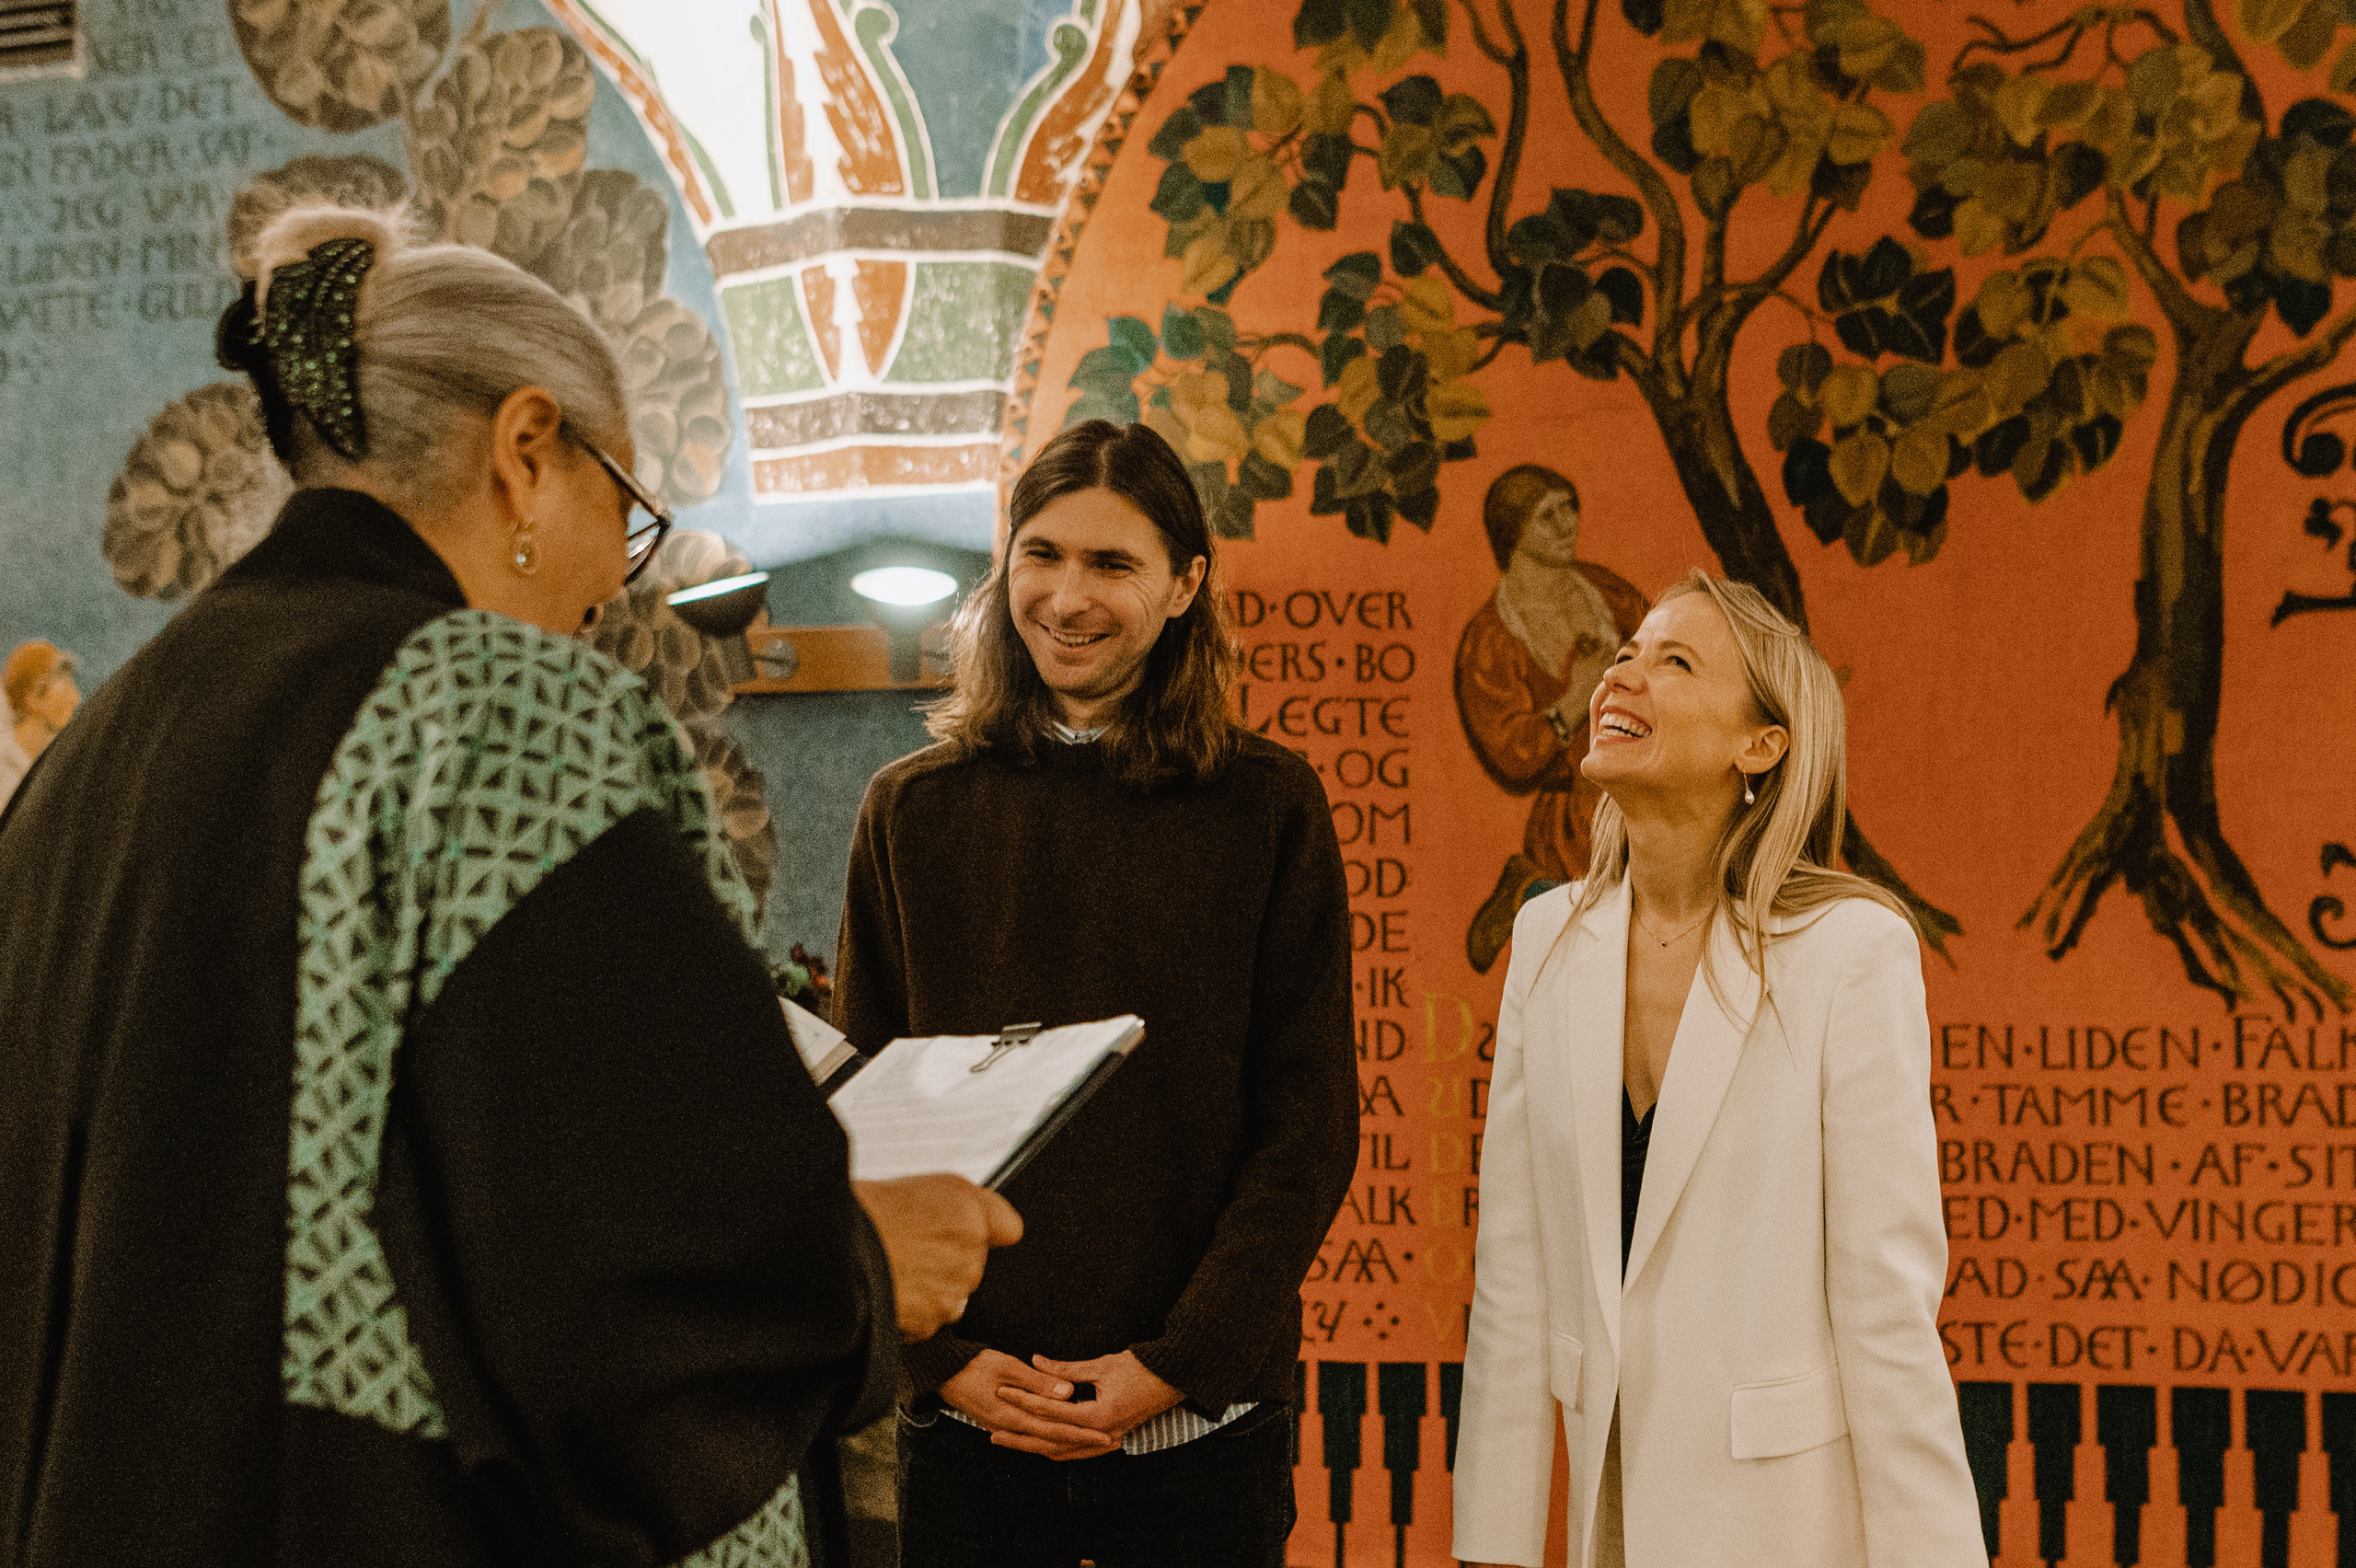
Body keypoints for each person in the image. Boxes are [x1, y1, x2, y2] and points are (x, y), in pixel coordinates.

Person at [0, 203, 1019, 1568]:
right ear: (527, 451)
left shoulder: (97, 750)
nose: (617, 580)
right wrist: (857, 1271)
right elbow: (623, 1259)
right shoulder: (498, 710)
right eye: (630, 508)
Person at [833, 419, 1358, 1567]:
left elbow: (1308, 1126)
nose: (1068, 597)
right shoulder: (909, 811)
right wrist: (948, 1366)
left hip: (1199, 1430)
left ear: (1185, 588)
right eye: (1042, 554)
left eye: (1113, 565)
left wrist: (1169, 1370)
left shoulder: (1267, 807)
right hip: (971, 1424)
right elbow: (862, 1119)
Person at [1453, 571, 1983, 1568]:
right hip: (1601, 1520)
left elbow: (1886, 1303)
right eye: (1625, 652)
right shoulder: (1545, 940)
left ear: (1762, 744)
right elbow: (1513, 1277)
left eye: (1674, 661)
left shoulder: (1849, 951)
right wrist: (1494, 1543)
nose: (1622, 673)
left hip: (1786, 1527)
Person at [1454, 466, 1647, 974]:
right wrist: (1576, 694)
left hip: (1641, 798)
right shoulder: (1491, 640)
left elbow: (1664, 652)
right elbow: (1511, 755)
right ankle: (1526, 893)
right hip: (1573, 819)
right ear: (1512, 531)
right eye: (1548, 516)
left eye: (1570, 508)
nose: (1568, 525)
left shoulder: (1604, 592)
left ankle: (1527, 894)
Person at [0, 640, 78, 810]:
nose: (75, 698)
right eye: (64, 690)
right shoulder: (3, 763)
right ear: (34, 699)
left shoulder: (57, 766)